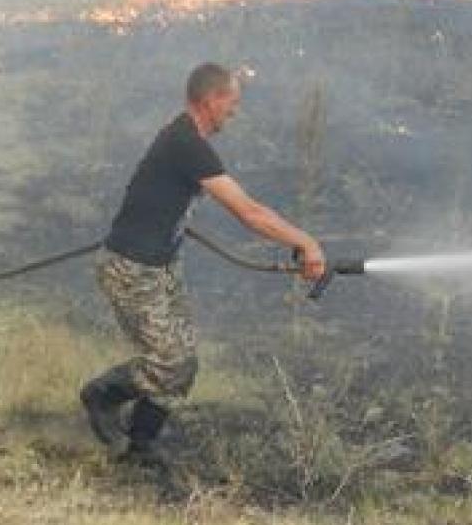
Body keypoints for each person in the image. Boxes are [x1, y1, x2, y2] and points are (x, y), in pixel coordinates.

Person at [80, 62, 326, 460]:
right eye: (232, 101)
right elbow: (250, 213)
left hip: (160, 265)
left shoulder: (185, 138)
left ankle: (140, 447)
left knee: (184, 364)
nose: (235, 111)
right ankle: (102, 394)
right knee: (171, 363)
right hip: (132, 268)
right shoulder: (186, 144)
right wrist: (306, 242)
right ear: (211, 100)